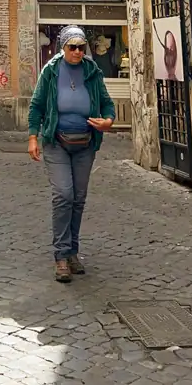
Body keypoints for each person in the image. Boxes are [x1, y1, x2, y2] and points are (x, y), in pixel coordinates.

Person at [28, 25, 116, 283]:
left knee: (78, 198)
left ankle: (73, 252)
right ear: (63, 47)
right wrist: (33, 137)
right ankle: (61, 256)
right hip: (56, 141)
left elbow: (108, 103)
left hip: (85, 143)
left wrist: (108, 121)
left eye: (81, 47)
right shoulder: (52, 70)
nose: (78, 52)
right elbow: (36, 106)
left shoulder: (92, 71)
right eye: (72, 47)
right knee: (63, 194)